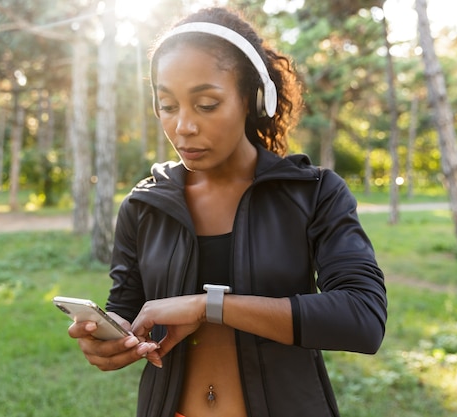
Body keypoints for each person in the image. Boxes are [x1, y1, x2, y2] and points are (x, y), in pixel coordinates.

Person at [68, 6, 387, 417]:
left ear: (252, 99)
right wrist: (108, 335)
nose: (183, 126)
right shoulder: (144, 205)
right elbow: (128, 308)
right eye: (167, 105)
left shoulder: (314, 193)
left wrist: (207, 306)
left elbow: (362, 316)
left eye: (206, 104)